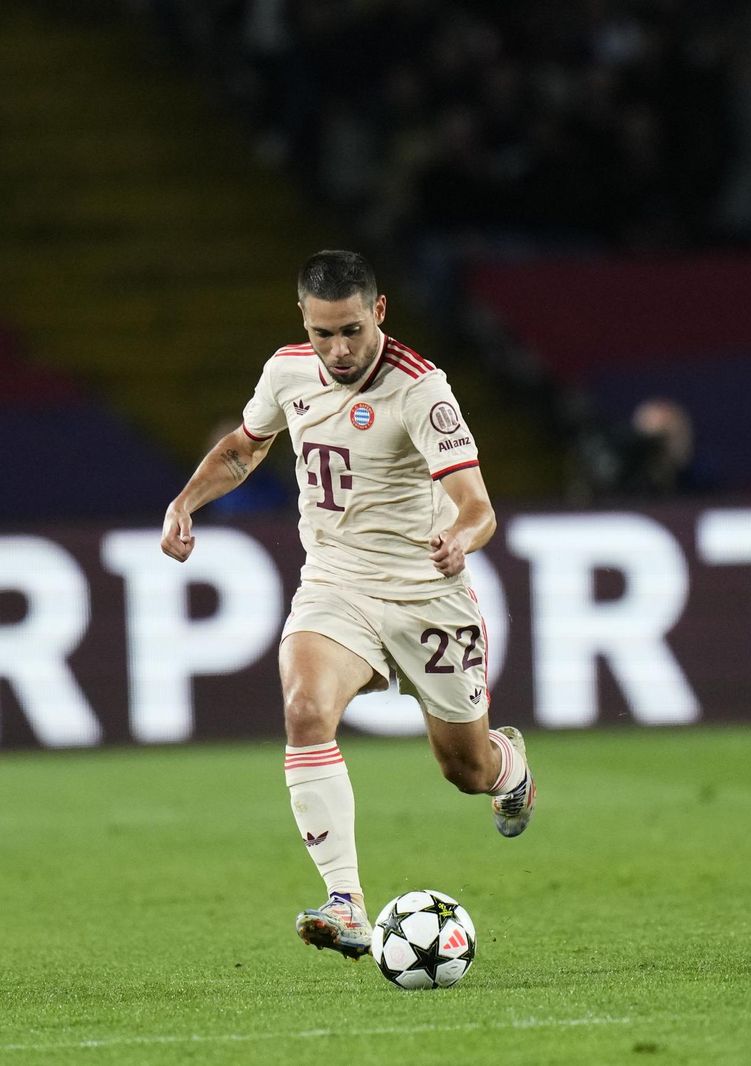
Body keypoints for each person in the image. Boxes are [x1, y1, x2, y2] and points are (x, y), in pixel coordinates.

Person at [159, 250, 534, 962]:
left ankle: (510, 770)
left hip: (429, 594)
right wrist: (186, 503)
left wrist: (461, 539)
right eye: (325, 332)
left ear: (380, 312)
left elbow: (478, 507)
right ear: (304, 316)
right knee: (304, 708)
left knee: (465, 771)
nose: (338, 349)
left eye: (352, 331)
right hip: (337, 584)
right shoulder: (286, 371)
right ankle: (347, 903)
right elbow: (244, 447)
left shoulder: (422, 390)